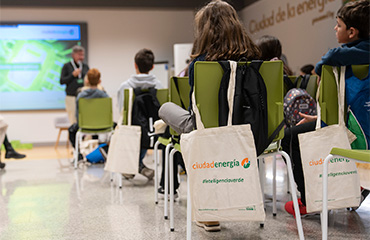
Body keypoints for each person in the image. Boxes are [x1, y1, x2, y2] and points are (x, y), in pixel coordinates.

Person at [158, 0, 261, 232]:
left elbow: (199, 107)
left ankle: (209, 215)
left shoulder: (199, 64)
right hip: (248, 132)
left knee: (165, 108)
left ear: (204, 29)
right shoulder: (255, 61)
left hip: (206, 131)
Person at [283, 0, 370, 217]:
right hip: (359, 127)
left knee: (291, 138)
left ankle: (309, 200)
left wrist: (320, 119)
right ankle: (358, 187)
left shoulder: (341, 60)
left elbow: (327, 60)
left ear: (352, 32)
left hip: (352, 136)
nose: (334, 28)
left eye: (338, 25)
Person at [116, 48, 163, 180]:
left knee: (130, 126)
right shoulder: (159, 87)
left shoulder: (124, 87)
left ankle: (134, 165)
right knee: (145, 130)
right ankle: (138, 165)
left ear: (135, 65)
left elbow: (122, 111)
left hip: (131, 132)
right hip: (153, 134)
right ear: (153, 67)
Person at [68, 68, 109, 155]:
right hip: (102, 124)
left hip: (85, 125)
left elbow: (77, 115)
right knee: (114, 128)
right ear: (99, 81)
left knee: (71, 130)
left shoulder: (81, 96)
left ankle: (78, 154)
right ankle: (104, 152)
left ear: (87, 80)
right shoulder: (105, 96)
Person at [60, 45, 89, 124]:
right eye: (79, 55)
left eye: (82, 55)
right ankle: (73, 136)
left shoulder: (85, 67)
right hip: (71, 97)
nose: (81, 57)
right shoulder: (67, 66)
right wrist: (72, 75)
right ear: (73, 55)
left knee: (85, 119)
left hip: (84, 97)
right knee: (73, 120)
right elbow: (62, 81)